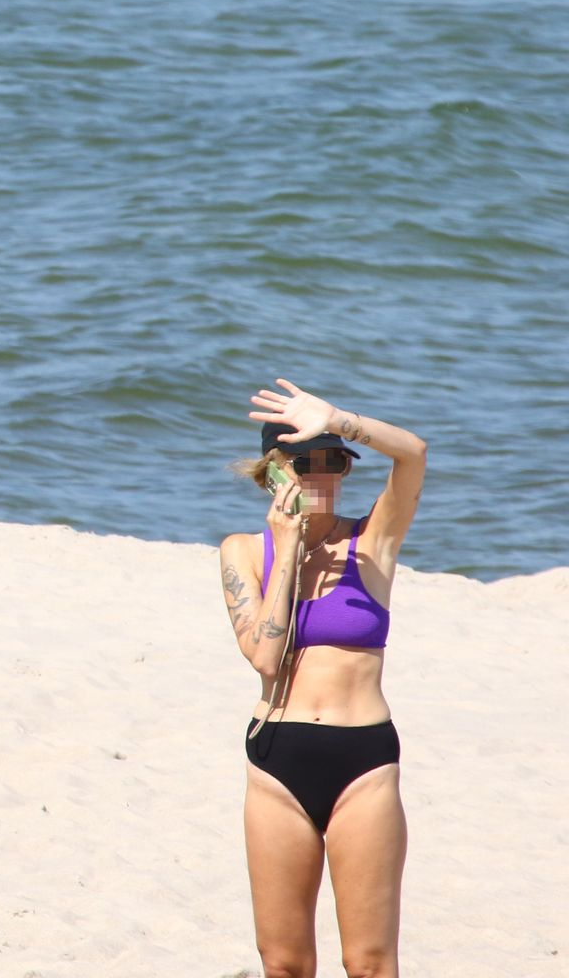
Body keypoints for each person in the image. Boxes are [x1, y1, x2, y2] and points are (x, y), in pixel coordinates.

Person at [218, 380, 426, 978]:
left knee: (369, 961)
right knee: (283, 962)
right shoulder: (243, 552)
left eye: (332, 460)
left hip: (363, 759)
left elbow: (413, 453)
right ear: (271, 474)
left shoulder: (373, 541)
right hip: (277, 761)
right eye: (303, 462)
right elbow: (263, 657)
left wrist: (337, 418)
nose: (320, 475)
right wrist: (286, 548)